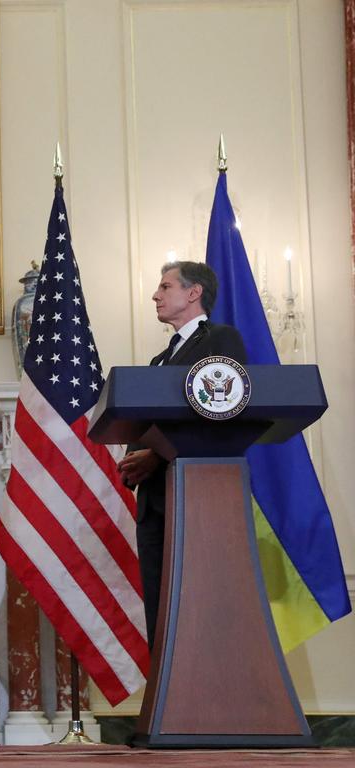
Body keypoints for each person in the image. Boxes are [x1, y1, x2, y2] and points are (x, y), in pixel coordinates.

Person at [116, 260, 247, 649]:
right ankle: (163, 696)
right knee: (160, 610)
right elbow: (146, 419)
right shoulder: (161, 359)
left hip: (197, 498)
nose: (155, 295)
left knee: (196, 607)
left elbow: (221, 410)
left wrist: (155, 455)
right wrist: (132, 461)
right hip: (156, 501)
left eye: (165, 287)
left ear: (194, 293)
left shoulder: (220, 340)